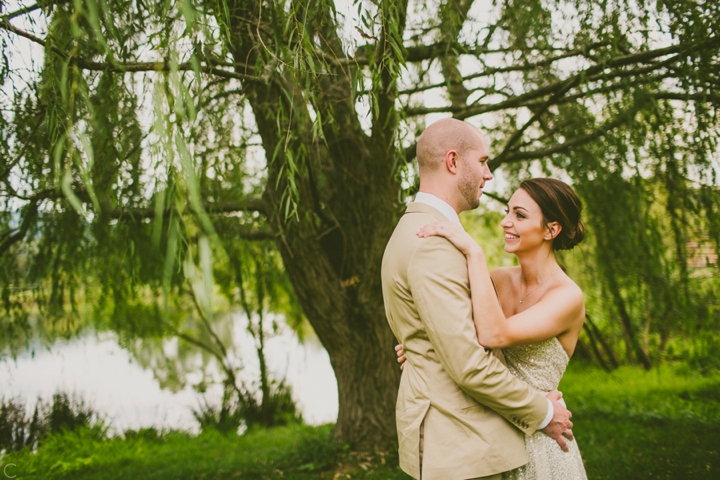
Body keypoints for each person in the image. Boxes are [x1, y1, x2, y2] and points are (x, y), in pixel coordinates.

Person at [381, 118, 573, 480]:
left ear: (552, 230)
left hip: (477, 438)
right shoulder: (432, 244)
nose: (488, 175)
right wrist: (543, 411)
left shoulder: (416, 230)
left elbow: (456, 334)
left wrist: (425, 347)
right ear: (453, 162)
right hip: (461, 443)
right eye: (483, 161)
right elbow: (468, 362)